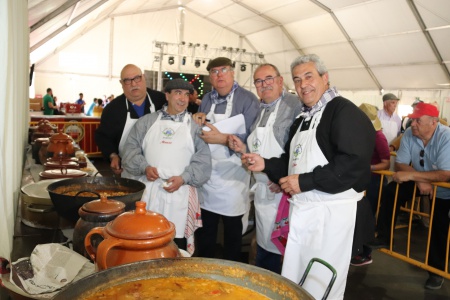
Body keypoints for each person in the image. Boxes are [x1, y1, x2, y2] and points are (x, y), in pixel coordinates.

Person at [241, 54, 375, 300]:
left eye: (309, 77)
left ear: (325, 78)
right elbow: (291, 162)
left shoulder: (343, 111)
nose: (303, 85)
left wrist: (304, 182)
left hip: (330, 217)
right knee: (297, 278)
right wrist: (264, 164)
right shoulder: (304, 119)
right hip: (303, 214)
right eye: (298, 80)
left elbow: (353, 162)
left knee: (321, 281)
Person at [122, 79, 211, 253]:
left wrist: (183, 178)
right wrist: (144, 167)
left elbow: (203, 162)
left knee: (177, 247)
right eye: (178, 93)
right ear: (167, 95)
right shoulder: (146, 122)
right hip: (149, 194)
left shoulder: (195, 127)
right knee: (147, 240)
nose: (183, 99)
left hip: (181, 194)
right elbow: (129, 150)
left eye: (186, 95)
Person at [227, 63, 302, 273]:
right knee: (265, 248)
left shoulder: (295, 105)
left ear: (280, 81)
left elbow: (300, 150)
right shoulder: (259, 110)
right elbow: (257, 149)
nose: (264, 84)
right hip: (262, 193)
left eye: (268, 78)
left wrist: (282, 177)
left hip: (285, 193)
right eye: (258, 81)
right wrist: (243, 149)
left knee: (284, 254)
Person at [369, 102, 450, 290]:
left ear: (433, 122)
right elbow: (401, 164)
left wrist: (414, 176)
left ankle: (436, 271)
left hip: (444, 187)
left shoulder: (446, 137)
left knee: (439, 224)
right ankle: (384, 236)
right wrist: (420, 179)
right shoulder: (408, 134)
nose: (412, 124)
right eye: (412, 120)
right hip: (421, 178)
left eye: (417, 121)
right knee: (391, 192)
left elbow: (446, 174)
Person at [193, 57, 260, 262]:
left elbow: (253, 138)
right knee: (205, 233)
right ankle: (202, 272)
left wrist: (222, 139)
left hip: (233, 175)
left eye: (224, 70)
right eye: (214, 72)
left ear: (232, 73)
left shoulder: (248, 100)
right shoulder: (206, 99)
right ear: (210, 78)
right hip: (207, 176)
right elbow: (199, 131)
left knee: (232, 234)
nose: (219, 75)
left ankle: (231, 274)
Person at [95, 64, 166, 177]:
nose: (133, 84)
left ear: (143, 77)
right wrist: (113, 156)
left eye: (137, 78)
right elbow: (103, 137)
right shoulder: (112, 109)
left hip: (159, 170)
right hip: (129, 170)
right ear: (121, 84)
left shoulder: (162, 101)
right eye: (127, 80)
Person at [350, 103, 390, 267]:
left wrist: (367, 167)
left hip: (374, 181)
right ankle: (357, 251)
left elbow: (386, 163)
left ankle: (365, 253)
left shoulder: (378, 137)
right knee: (359, 217)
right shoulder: (361, 134)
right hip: (362, 180)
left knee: (368, 218)